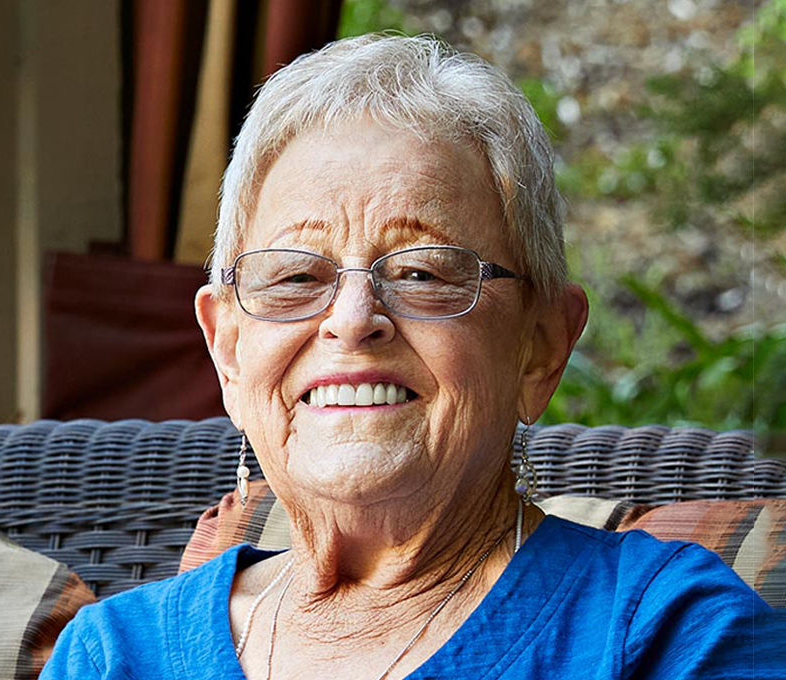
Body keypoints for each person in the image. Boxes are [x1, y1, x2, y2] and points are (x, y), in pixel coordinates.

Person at [43, 33, 784, 679]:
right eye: (296, 276)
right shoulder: (114, 654)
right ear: (228, 351)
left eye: (424, 272)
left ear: (541, 346)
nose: (353, 320)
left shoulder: (662, 632)